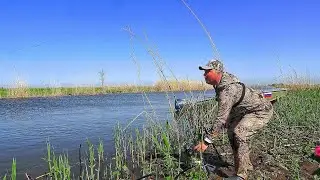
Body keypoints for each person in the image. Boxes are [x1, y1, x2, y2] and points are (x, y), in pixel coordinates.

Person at [194, 59, 274, 180]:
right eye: (204, 72)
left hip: (261, 111)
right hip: (245, 111)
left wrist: (206, 142)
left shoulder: (227, 90)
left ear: (217, 71)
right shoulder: (220, 83)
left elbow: (221, 118)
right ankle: (244, 166)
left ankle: (241, 176)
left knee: (240, 133)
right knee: (231, 132)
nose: (204, 74)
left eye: (207, 71)